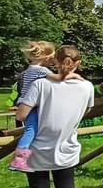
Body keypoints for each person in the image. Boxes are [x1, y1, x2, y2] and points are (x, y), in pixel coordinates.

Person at [14, 45, 95, 188]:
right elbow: (86, 110)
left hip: (37, 148)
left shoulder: (40, 84)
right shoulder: (87, 87)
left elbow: (21, 115)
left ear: (54, 62)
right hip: (67, 147)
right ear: (79, 64)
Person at [9, 41, 80, 172]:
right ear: (47, 57)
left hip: (26, 102)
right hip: (30, 104)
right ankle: (19, 159)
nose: (53, 61)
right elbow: (58, 78)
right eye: (52, 58)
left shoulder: (29, 70)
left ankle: (20, 158)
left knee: (33, 128)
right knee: (31, 130)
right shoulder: (41, 70)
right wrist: (74, 75)